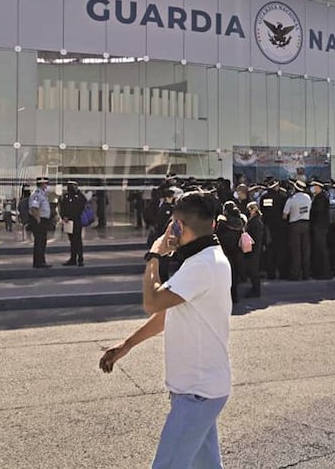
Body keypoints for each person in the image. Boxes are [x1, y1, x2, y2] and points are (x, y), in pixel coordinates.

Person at [99, 192, 232, 469]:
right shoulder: (206, 259)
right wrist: (127, 344)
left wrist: (154, 254)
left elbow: (152, 302)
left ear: (178, 227)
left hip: (196, 392)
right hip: (201, 389)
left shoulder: (202, 264)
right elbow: (167, 313)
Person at [215, 201, 247, 305]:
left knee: (227, 274)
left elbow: (217, 234)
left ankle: (228, 296)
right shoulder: (241, 220)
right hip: (237, 249)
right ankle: (235, 296)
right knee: (235, 273)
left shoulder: (222, 222)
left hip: (225, 250)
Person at [283, 180, 312, 280]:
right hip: (306, 224)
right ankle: (306, 274)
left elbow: (284, 215)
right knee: (306, 250)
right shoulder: (308, 198)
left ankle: (296, 274)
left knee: (296, 250)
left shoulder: (291, 199)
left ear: (295, 188)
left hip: (294, 225)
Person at [59, 181, 87, 267]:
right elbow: (61, 207)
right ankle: (73, 258)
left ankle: (80, 259)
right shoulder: (65, 196)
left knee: (77, 240)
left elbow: (80, 208)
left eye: (73, 185)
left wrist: (70, 216)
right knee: (72, 240)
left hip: (76, 220)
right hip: (68, 222)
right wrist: (63, 216)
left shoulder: (80, 196)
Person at [309, 180, 331, 279]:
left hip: (320, 226)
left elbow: (318, 211)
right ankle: (319, 271)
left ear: (318, 187)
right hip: (319, 226)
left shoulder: (321, 198)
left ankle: (324, 272)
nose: (313, 188)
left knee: (321, 249)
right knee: (318, 249)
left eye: (314, 186)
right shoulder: (319, 197)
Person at [29, 177, 53, 268]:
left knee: (42, 241)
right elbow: (33, 207)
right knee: (39, 242)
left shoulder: (43, 194)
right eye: (45, 184)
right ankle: (38, 262)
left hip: (43, 220)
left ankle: (41, 261)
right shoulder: (37, 195)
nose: (46, 186)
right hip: (39, 221)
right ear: (42, 184)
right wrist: (37, 218)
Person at [243, 202, 265, 298]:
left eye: (251, 209)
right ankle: (254, 289)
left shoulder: (256, 221)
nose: (250, 211)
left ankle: (256, 290)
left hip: (254, 248)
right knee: (253, 269)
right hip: (254, 248)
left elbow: (256, 236)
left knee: (254, 270)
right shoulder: (254, 220)